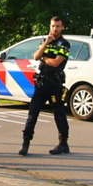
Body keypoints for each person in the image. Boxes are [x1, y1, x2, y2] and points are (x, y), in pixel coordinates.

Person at [20, 16, 71, 156]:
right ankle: (25, 143)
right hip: (42, 82)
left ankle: (63, 143)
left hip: (55, 83)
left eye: (58, 26)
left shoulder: (64, 44)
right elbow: (36, 56)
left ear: (62, 27)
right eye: (53, 26)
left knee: (59, 114)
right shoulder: (45, 41)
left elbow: (55, 63)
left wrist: (44, 58)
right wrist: (45, 44)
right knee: (33, 112)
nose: (55, 29)